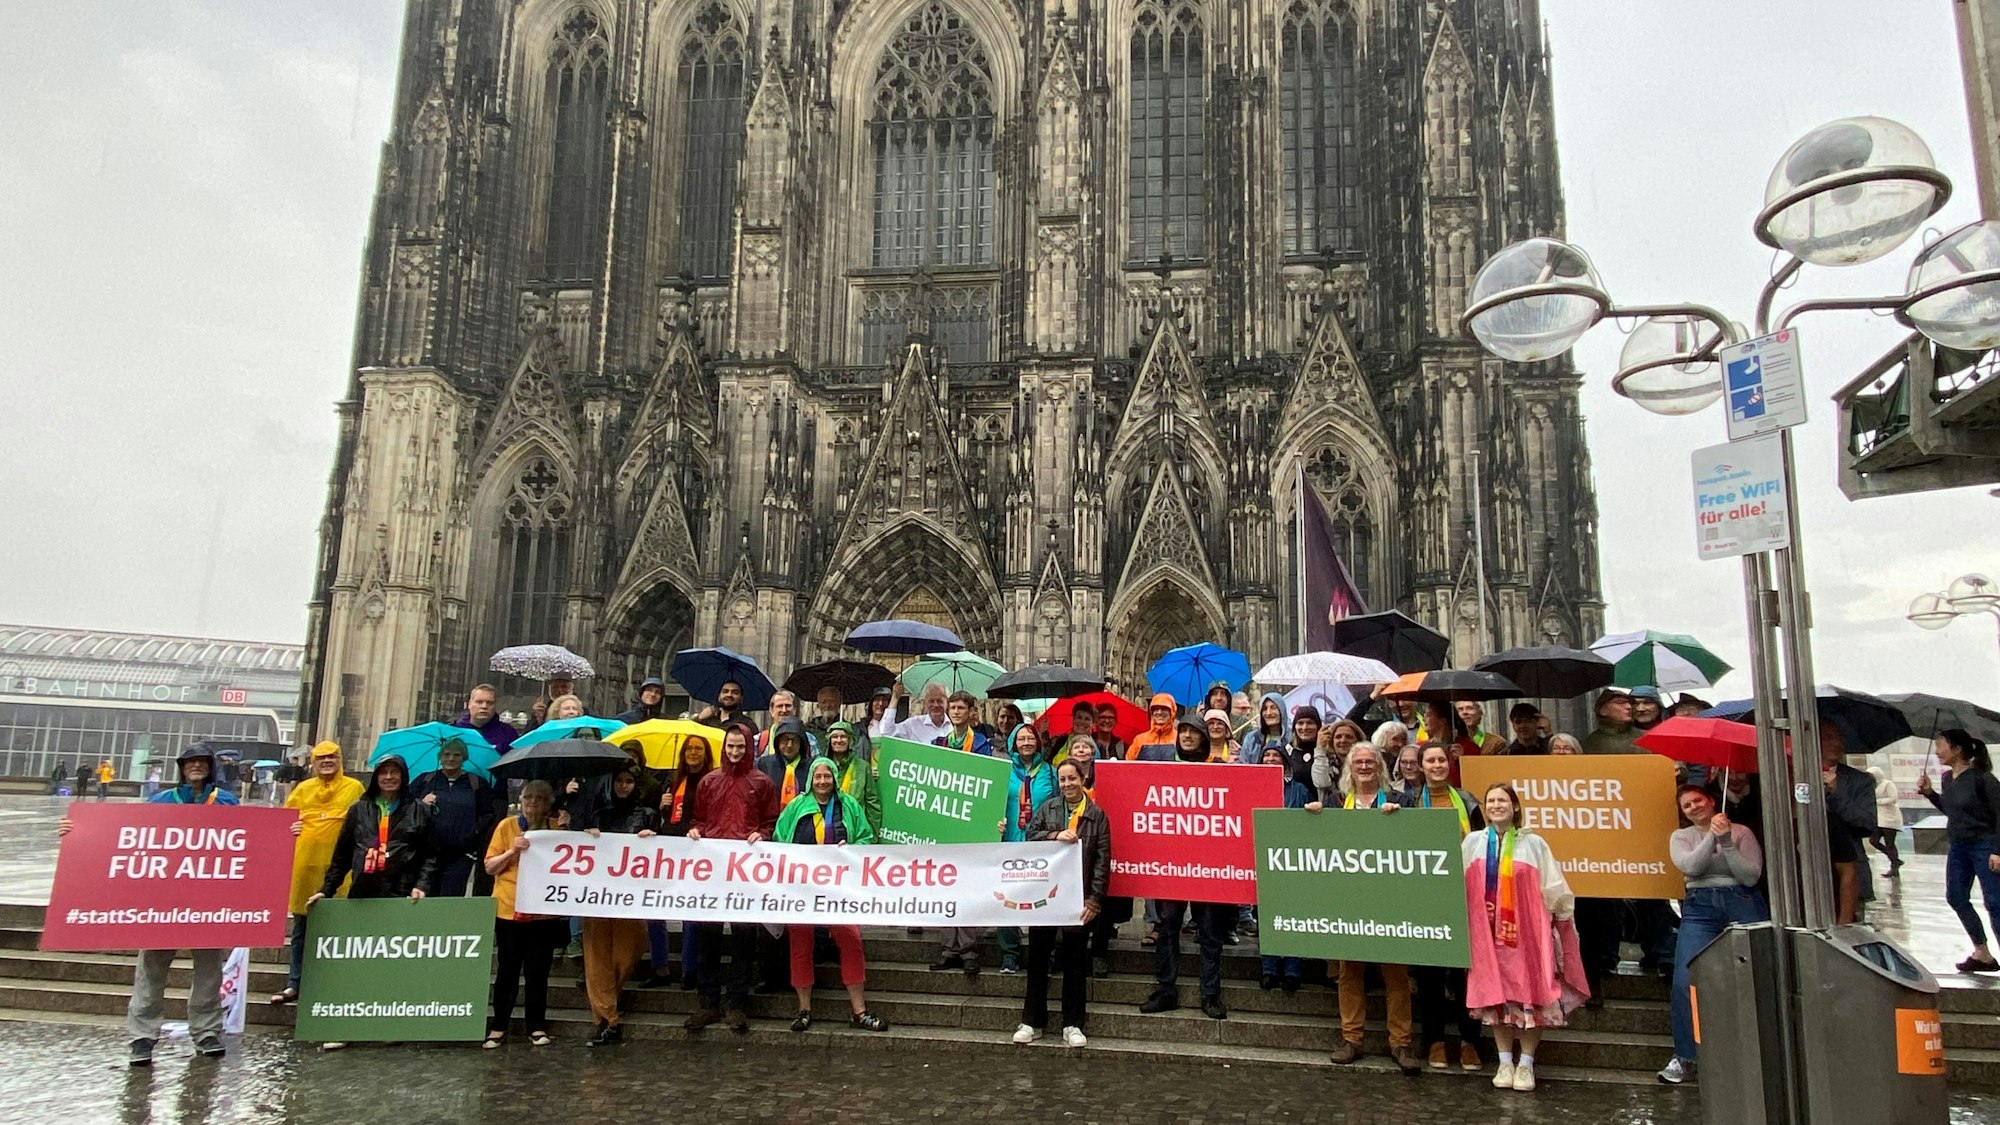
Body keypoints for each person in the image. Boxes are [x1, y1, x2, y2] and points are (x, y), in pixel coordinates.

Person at [59, 744, 241, 1065]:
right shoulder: (161, 801)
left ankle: (206, 1032)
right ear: (181, 767)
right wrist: (77, 831)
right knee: (151, 969)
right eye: (190, 762)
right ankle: (142, 1035)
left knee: (210, 970)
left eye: (202, 762)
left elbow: (249, 840)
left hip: (208, 900)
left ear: (211, 767)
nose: (196, 767)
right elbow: (124, 835)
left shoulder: (227, 802)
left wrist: (286, 833)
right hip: (162, 899)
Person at [306, 754, 436, 1051]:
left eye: (394, 772)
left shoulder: (418, 810)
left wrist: (421, 885)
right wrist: (327, 890)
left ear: (403, 777)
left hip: (400, 893)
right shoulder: (359, 809)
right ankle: (346, 1026)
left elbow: (430, 854)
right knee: (357, 963)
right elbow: (341, 855)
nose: (389, 777)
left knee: (394, 963)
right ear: (376, 777)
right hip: (363, 893)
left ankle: (389, 1023)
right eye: (383, 772)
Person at [1462, 783, 1586, 1093]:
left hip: (1527, 934)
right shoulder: (1473, 843)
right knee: (1497, 996)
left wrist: (1562, 918)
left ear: (1515, 806)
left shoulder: (1533, 844)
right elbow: (1459, 884)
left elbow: (1554, 885)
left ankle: (1526, 1063)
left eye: (1502, 800)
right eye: (1491, 801)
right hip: (1487, 935)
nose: (1496, 805)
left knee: (1530, 993)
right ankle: (1505, 1061)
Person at [1317, 744, 1420, 1073]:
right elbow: (1321, 842)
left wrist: (1400, 820)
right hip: (1350, 900)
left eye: (1369, 762)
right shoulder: (1335, 802)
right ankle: (1352, 1039)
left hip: (1391, 900)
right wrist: (1311, 818)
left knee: (1396, 974)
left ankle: (1401, 1043)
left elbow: (1417, 841)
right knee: (1349, 972)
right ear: (1350, 768)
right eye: (1358, 762)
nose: (1364, 767)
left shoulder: (1402, 801)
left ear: (1380, 767)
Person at [1658, 783, 1768, 1085]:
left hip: (1741, 901)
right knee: (1685, 979)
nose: (1694, 807)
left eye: (1697, 800)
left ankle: (1761, 1051)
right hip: (1699, 907)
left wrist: (1728, 842)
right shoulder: (1681, 837)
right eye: (1687, 806)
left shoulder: (1742, 832)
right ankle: (1686, 1057)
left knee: (1756, 975)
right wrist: (1712, 837)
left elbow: (1750, 875)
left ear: (1710, 801)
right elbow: (1691, 867)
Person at [774, 757, 890, 1032]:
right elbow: (779, 840)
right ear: (810, 779)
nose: (823, 781)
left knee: (851, 940)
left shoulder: (849, 805)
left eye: (827, 776)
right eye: (818, 777)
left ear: (835, 778)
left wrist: (851, 848)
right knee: (800, 944)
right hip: (802, 887)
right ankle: (804, 1009)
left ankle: (859, 1011)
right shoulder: (796, 806)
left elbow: (865, 837)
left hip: (840, 888)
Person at [684, 725, 779, 1032]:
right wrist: (696, 830)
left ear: (748, 748)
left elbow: (770, 820)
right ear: (724, 747)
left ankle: (736, 1004)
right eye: (731, 746)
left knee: (743, 939)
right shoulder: (709, 781)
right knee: (707, 937)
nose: (735, 752)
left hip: (745, 872)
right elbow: (698, 818)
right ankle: (707, 1003)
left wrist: (762, 834)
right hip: (713, 870)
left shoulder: (761, 782)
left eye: (740, 747)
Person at [1138, 720, 1235, 1020]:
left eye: (1194, 732)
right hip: (1171, 866)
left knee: (1210, 933)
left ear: (1204, 738)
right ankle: (1166, 989)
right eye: (1184, 731)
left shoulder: (1218, 769)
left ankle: (1210, 994)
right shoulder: (1163, 767)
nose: (1188, 736)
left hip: (1208, 868)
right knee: (1167, 929)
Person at [1016, 758, 1110, 1047]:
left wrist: (1094, 900)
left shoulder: (1096, 815)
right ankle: (1032, 1021)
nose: (1068, 784)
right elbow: (1030, 837)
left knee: (1075, 962)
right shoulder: (1049, 808)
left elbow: (1102, 860)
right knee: (1037, 959)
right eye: (1063, 779)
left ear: (1083, 779)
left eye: (1072, 778)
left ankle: (1073, 1023)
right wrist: (1055, 835)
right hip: (1045, 897)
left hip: (1078, 898)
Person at [1411, 742, 1486, 1072]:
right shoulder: (1409, 801)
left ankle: (1470, 1040)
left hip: (1465, 892)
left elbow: (1484, 842)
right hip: (1425, 895)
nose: (1437, 765)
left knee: (1465, 971)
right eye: (1430, 760)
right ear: (1421, 766)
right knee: (1429, 973)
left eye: (1442, 759)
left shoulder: (1468, 801)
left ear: (1449, 764)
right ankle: (1435, 1039)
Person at [271, 742, 365, 1005]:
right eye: (321, 757)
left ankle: (337, 983)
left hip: (340, 870)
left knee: (341, 927)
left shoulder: (354, 788)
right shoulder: (302, 789)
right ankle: (295, 982)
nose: (327, 761)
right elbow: (284, 823)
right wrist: (291, 828)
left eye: (332, 756)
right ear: (313, 762)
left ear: (340, 759)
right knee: (302, 928)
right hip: (306, 865)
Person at [575, 764, 656, 1046]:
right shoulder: (599, 813)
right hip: (598, 896)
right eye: (619, 781)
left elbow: (661, 854)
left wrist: (652, 839)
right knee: (597, 958)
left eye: (629, 781)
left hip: (629, 898)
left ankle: (608, 1002)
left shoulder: (647, 814)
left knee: (625, 953)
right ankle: (606, 1018)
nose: (623, 786)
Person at [483, 780, 568, 1048]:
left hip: (542, 912)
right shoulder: (507, 826)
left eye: (539, 799)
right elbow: (489, 867)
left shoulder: (557, 829)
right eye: (527, 797)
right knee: (507, 970)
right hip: (509, 910)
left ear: (548, 805)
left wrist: (570, 831)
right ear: (520, 801)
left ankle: (536, 1026)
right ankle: (498, 1026)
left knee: (537, 972)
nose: (532, 803)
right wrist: (512, 851)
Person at [1920, 729, 2000, 973]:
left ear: (1957, 749)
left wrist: (1998, 851)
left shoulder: (1983, 779)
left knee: (1995, 902)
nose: (1937, 751)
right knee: (1956, 896)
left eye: (1941, 746)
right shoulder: (1947, 778)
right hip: (1959, 846)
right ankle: (1982, 953)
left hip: (1985, 845)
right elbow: (1952, 810)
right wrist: (1930, 794)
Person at [931, 691, 996, 975]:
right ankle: (949, 948)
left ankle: (968, 948)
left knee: (967, 887)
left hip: (970, 824)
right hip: (945, 823)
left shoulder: (982, 745)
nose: (956, 712)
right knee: (945, 886)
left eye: (961, 708)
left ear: (972, 712)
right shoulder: (939, 744)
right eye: (953, 707)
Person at [642, 732, 713, 989]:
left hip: (694, 851)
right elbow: (658, 815)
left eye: (698, 748)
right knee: (655, 910)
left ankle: (688, 969)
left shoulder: (710, 781)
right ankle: (660, 967)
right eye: (689, 749)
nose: (693, 753)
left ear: (705, 754)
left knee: (690, 912)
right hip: (668, 848)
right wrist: (662, 804)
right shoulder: (673, 780)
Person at [1258, 745, 1323, 991]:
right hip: (1262, 858)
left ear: (1285, 763)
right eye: (1266, 756)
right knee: (1267, 916)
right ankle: (1269, 968)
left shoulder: (1300, 789)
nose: (1270, 759)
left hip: (1292, 859)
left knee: (1294, 915)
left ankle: (1292, 970)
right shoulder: (1251, 787)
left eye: (1276, 756)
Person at [997, 724, 1059, 973]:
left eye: (1030, 738)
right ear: (1013, 743)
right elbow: (992, 803)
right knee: (1007, 898)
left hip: (1041, 844)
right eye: (1021, 739)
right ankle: (1009, 953)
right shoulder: (1002, 771)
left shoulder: (1051, 773)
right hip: (1010, 840)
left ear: (1038, 742)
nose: (1026, 743)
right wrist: (995, 822)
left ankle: (1044, 954)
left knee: (1043, 900)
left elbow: (1058, 805)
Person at [410, 740, 503, 897]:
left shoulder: (476, 783)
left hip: (461, 855)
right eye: (446, 754)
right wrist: (421, 803)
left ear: (464, 758)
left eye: (457, 755)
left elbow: (488, 814)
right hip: (426, 855)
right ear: (440, 757)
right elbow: (406, 807)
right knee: (424, 900)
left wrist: (473, 831)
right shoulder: (425, 780)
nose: (451, 758)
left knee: (451, 899)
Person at [1820, 724, 1878, 924]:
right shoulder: (1793, 774)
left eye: (1839, 738)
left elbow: (1866, 824)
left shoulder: (1860, 781)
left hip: (1849, 873)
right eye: (1828, 737)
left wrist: (1836, 793)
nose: (1836, 743)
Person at [758, 716, 816, 807]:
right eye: (785, 739)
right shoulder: (764, 765)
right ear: (778, 741)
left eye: (794, 740)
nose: (789, 745)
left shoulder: (812, 767)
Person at [452, 684, 520, 754]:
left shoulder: (507, 733)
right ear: (469, 704)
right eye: (479, 702)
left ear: (495, 706)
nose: (484, 706)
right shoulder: (454, 731)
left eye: (490, 703)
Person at [1310, 719, 1365, 801]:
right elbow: (1321, 782)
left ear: (1358, 741)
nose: (1343, 740)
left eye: (1349, 737)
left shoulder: (1365, 764)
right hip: (1330, 807)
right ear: (1332, 741)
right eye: (1338, 737)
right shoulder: (1324, 761)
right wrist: (1320, 748)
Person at [1870, 765, 1904, 878]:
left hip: (1890, 818)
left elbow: (1893, 798)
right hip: (1878, 818)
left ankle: (1894, 868)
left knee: (1890, 843)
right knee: (1873, 841)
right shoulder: (1871, 786)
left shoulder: (1887, 784)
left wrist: (1878, 801)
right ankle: (1895, 860)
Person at [1581, 689, 1638, 755]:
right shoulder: (1590, 744)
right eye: (1620, 703)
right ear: (1603, 710)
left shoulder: (1644, 738)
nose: (1629, 707)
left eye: (1630, 703)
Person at [1238, 692, 1290, 764]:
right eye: (1265, 709)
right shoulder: (1251, 739)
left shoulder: (1292, 738)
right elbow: (1244, 765)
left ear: (1282, 710)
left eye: (1273, 707)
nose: (1268, 713)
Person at [1124, 693, 1179, 758]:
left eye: (1164, 709)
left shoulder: (1179, 739)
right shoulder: (1139, 740)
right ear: (1151, 713)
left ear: (1172, 712)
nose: (1159, 712)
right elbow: (1129, 762)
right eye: (1156, 709)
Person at [693, 680, 758, 734]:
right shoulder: (707, 720)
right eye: (725, 691)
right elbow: (689, 733)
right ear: (719, 697)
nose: (729, 695)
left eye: (735, 692)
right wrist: (699, 717)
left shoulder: (748, 724)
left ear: (741, 699)